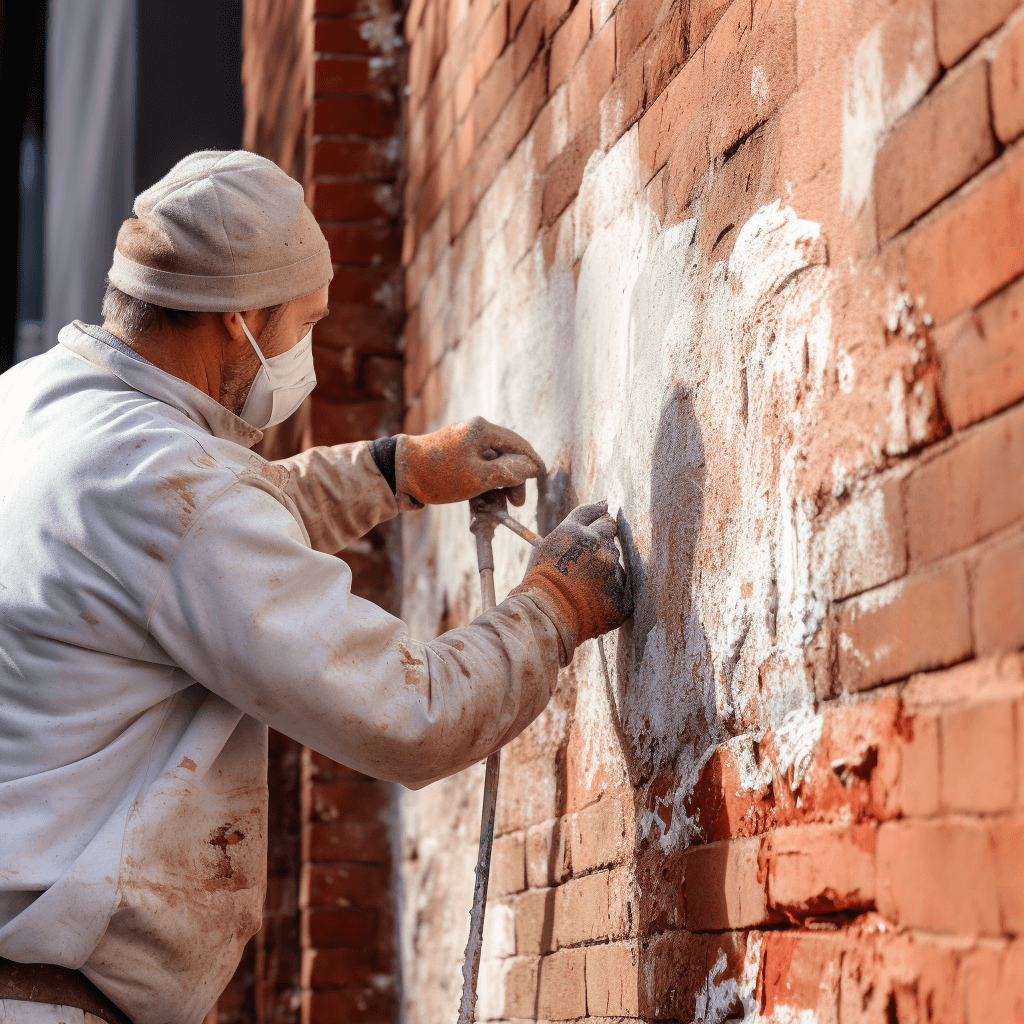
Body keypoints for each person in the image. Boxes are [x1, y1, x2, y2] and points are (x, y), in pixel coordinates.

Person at [0, 151, 632, 1024]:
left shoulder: (35, 405)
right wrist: (555, 607)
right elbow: (414, 714)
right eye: (302, 324)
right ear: (241, 319)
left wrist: (392, 470)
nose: (308, 358)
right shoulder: (162, 486)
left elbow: (195, 532)